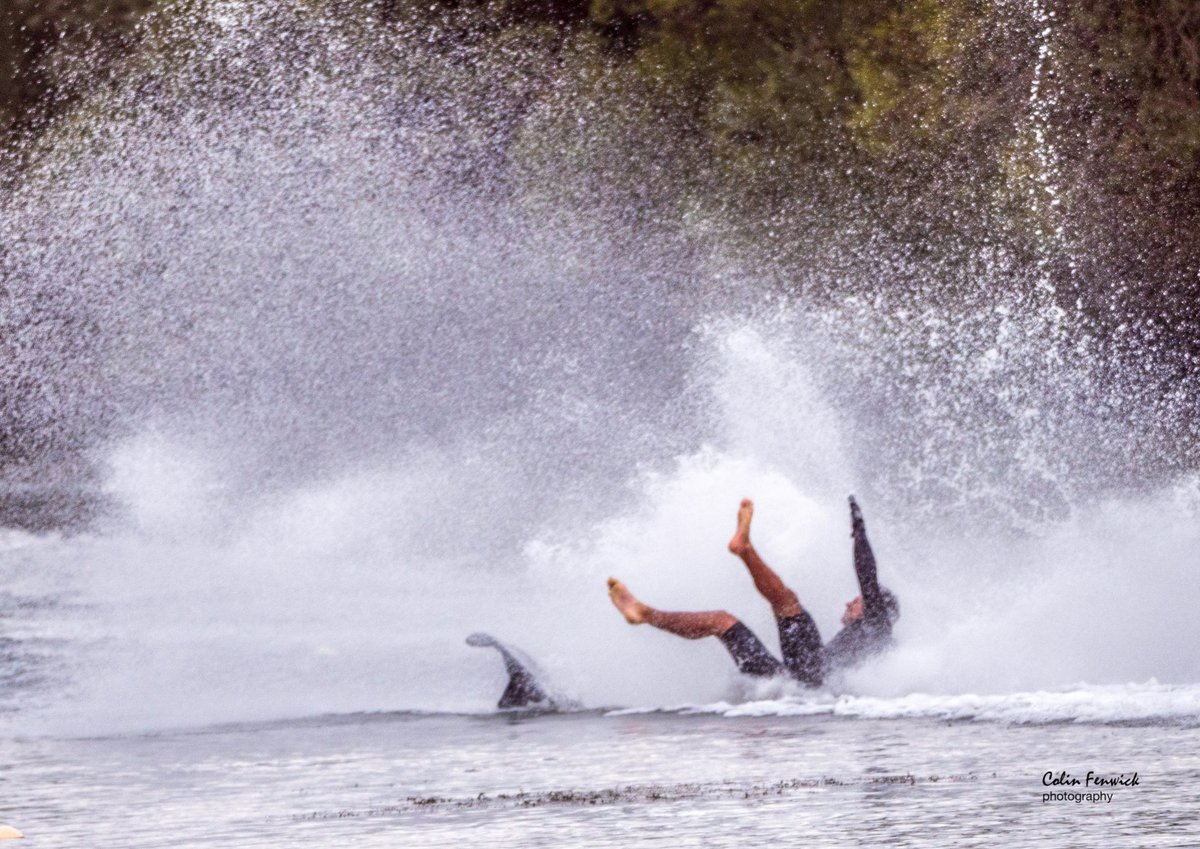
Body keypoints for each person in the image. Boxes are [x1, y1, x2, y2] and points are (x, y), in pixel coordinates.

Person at [607, 496, 898, 687]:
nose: (849, 602)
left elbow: (867, 575)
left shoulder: (877, 624)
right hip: (792, 686)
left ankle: (745, 550)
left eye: (858, 601)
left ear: (875, 608)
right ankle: (644, 613)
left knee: (787, 602)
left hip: (812, 674)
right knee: (721, 621)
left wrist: (859, 532)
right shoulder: (875, 646)